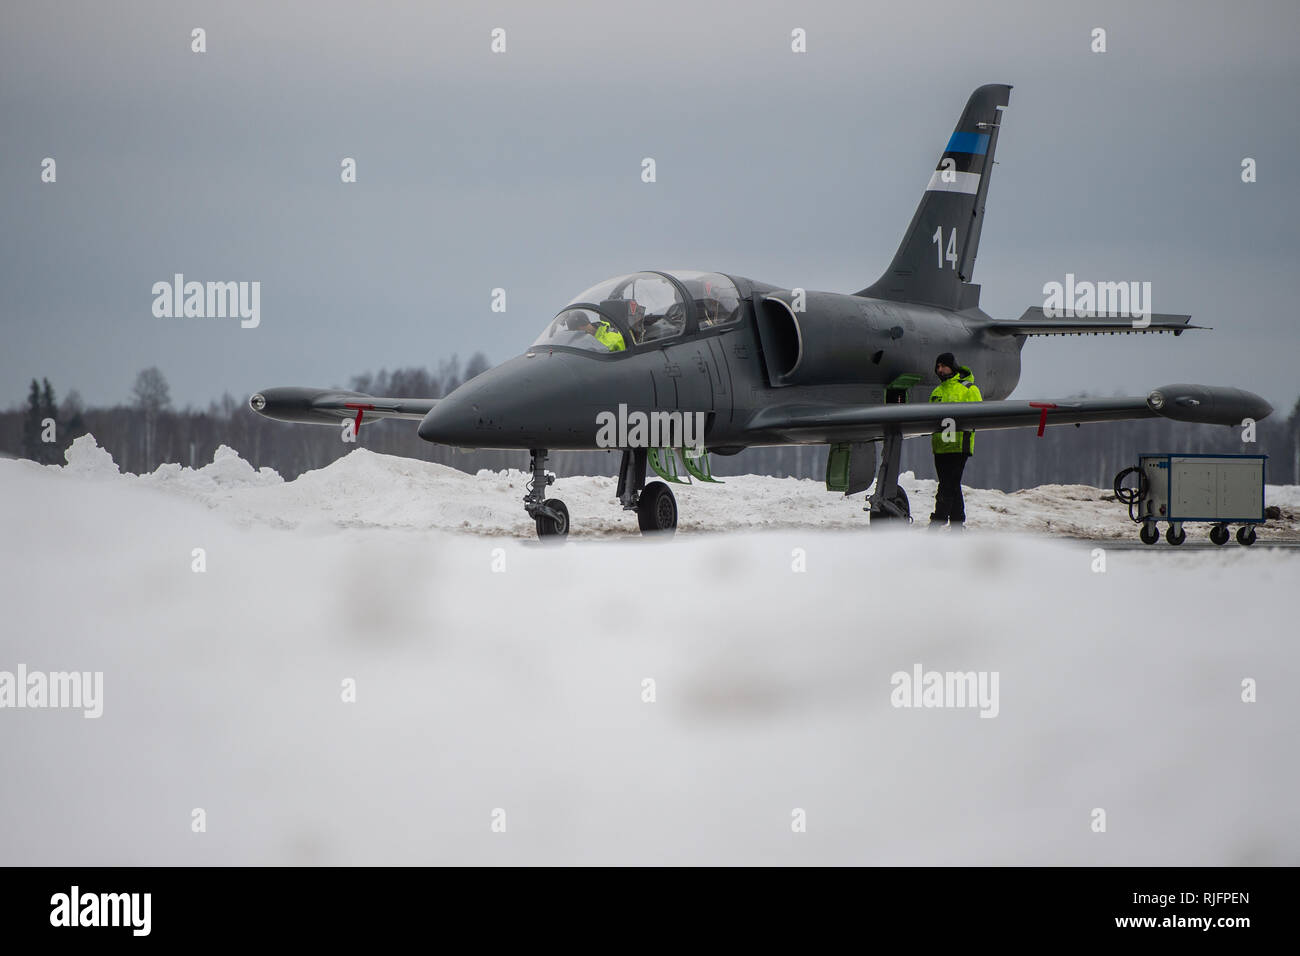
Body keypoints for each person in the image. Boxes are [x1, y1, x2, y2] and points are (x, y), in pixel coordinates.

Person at [928, 352, 982, 529]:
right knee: (951, 484)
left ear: (953, 366)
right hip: (941, 446)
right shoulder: (936, 392)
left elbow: (978, 415)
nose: (940, 370)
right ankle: (958, 522)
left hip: (959, 445)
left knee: (947, 484)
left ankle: (938, 518)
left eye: (943, 365)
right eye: (938, 367)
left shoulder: (969, 389)